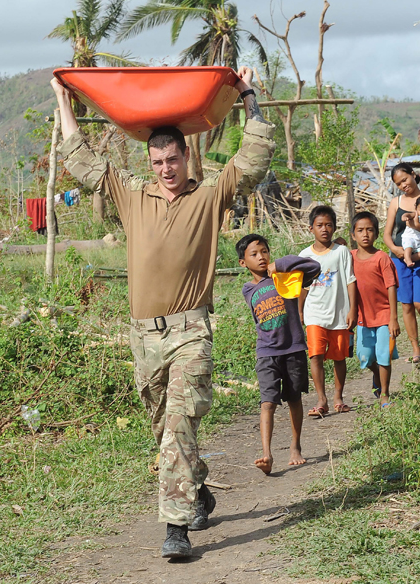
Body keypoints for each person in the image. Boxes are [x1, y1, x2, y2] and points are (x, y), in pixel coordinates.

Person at [50, 67, 274, 559]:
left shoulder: (211, 195)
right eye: (157, 161)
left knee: (178, 426)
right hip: (142, 338)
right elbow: (84, 162)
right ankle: (197, 489)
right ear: (148, 161)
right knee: (165, 432)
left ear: (186, 156)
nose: (166, 168)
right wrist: (63, 101)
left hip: (192, 331)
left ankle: (176, 529)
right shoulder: (132, 194)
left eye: (173, 159)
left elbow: (254, 157)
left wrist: (248, 94)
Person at [237, 233, 321, 475]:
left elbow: (314, 266)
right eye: (254, 254)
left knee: (294, 398)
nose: (261, 257)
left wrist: (280, 264)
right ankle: (267, 453)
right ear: (243, 263)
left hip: (293, 347)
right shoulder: (248, 289)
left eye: (264, 252)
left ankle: (295, 446)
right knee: (268, 403)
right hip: (266, 351)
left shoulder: (286, 277)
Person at [382, 164, 420, 363]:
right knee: (407, 304)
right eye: (398, 183)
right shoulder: (395, 202)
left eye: (405, 180)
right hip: (400, 259)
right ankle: (416, 348)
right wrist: (396, 249)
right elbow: (387, 234)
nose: (403, 185)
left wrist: (417, 225)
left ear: (413, 175)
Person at [298, 205, 358, 417]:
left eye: (329, 225)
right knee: (315, 356)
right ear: (310, 228)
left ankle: (338, 397)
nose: (324, 229)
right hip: (315, 313)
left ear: (334, 228)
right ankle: (321, 399)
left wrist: (353, 310)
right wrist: (300, 311)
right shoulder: (304, 255)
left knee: (339, 357)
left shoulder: (341, 252)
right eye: (319, 225)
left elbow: (351, 281)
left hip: (339, 314)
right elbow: (302, 287)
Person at [350, 211, 401, 407]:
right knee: (365, 356)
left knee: (384, 355)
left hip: (384, 316)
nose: (365, 234)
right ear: (353, 235)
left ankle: (385, 394)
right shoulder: (350, 257)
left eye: (370, 230)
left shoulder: (382, 258)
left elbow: (391, 286)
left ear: (377, 234)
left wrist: (393, 318)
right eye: (360, 230)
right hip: (363, 317)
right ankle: (376, 376)